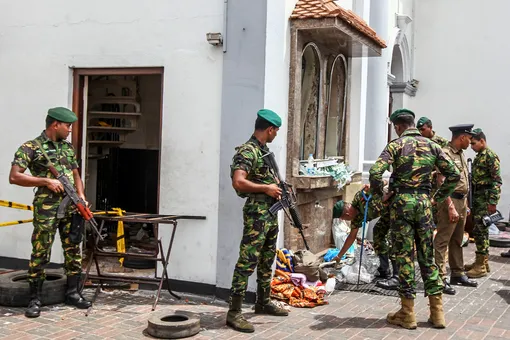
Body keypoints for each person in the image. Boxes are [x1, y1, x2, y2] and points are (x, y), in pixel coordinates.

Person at [369, 108, 460, 330]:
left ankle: (408, 313)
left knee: (405, 257)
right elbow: (454, 174)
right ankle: (437, 313)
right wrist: (436, 198)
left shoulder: (395, 145)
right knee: (427, 257)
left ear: (398, 126)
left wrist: (382, 194)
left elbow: (374, 172)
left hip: (401, 206)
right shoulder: (433, 145)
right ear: (413, 124)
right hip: (424, 205)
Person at [9, 107, 92, 318]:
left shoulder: (68, 148)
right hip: (46, 209)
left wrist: (81, 196)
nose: (70, 129)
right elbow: (15, 176)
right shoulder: (31, 147)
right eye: (68, 125)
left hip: (72, 207)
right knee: (40, 252)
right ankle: (35, 298)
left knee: (74, 250)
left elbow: (76, 175)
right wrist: (45, 181)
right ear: (55, 124)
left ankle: (73, 293)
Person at [227, 109, 288, 333]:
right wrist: (267, 188)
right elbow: (238, 182)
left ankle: (263, 301)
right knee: (247, 261)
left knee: (267, 258)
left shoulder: (264, 151)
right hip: (257, 215)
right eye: (276, 131)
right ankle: (234, 312)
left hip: (269, 214)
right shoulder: (248, 151)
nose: (276, 135)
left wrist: (279, 188)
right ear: (269, 129)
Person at [434, 125, 478, 296]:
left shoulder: (460, 153)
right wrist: (450, 206)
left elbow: (463, 181)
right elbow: (441, 181)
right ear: (461, 137)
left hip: (461, 201)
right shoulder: (445, 153)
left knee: (458, 239)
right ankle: (439, 277)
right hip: (449, 201)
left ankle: (457, 273)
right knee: (443, 240)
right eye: (469, 137)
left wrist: (465, 203)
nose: (470, 141)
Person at [332, 184, 399, 290]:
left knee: (393, 239)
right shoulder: (356, 217)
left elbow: (379, 183)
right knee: (378, 232)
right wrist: (339, 256)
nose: (346, 220)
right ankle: (384, 270)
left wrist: (381, 189)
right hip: (387, 213)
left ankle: (397, 277)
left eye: (344, 218)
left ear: (347, 214)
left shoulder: (361, 197)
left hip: (397, 209)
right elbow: (351, 237)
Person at [465, 128, 502, 278]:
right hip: (479, 196)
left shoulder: (490, 156)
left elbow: (496, 181)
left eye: (473, 143)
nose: (471, 146)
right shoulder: (480, 156)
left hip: (485, 198)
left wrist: (492, 202)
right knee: (480, 230)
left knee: (481, 230)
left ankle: (481, 265)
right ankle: (482, 262)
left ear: (482, 141)